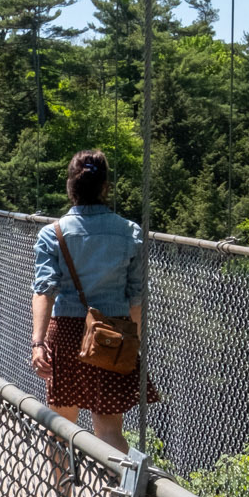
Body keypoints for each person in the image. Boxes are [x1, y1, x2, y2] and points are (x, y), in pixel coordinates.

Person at [30, 150, 154, 479]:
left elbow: (44, 290)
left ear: (70, 186)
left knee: (59, 424)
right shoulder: (130, 232)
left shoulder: (52, 233)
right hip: (114, 335)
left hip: (68, 333)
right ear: (105, 188)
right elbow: (135, 295)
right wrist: (133, 342)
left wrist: (38, 342)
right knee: (109, 429)